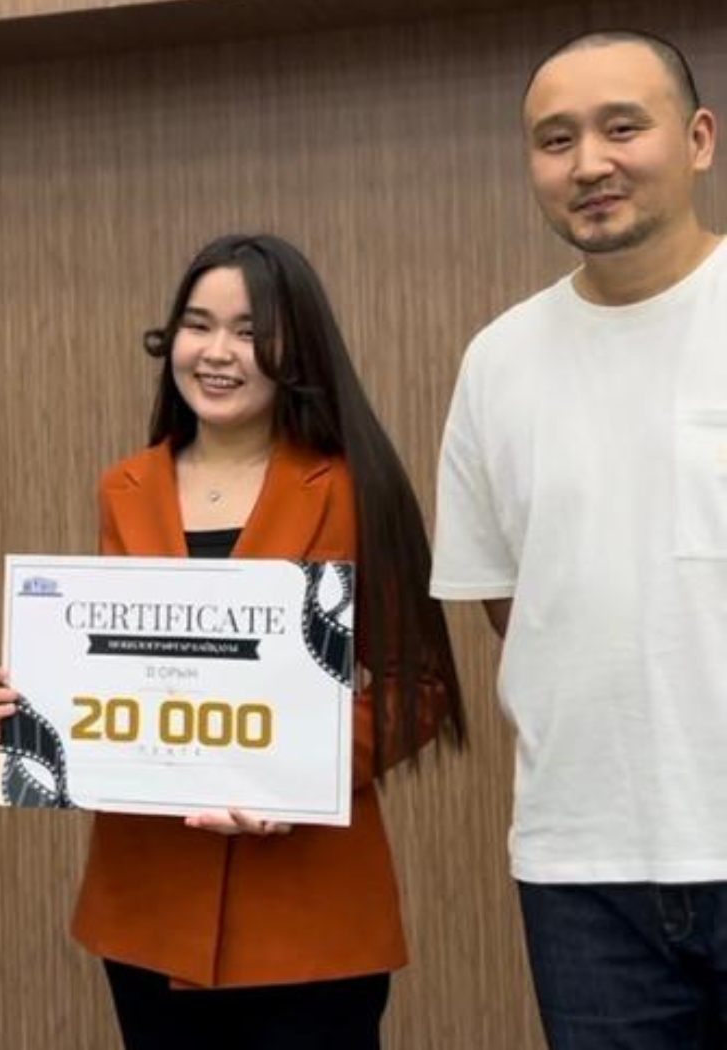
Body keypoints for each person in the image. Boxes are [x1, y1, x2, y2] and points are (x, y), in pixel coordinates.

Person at [0, 233, 464, 1049]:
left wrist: (292, 776)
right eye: (198, 325)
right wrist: (41, 708)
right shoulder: (125, 486)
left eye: (249, 332)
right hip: (147, 900)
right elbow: (117, 666)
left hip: (309, 912)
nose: (217, 353)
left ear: (296, 350)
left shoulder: (353, 487)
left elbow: (417, 690)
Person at [431, 29, 727, 1049]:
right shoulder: (497, 360)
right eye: (555, 141)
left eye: (621, 128)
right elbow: (509, 599)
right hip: (582, 869)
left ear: (698, 140)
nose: (588, 163)